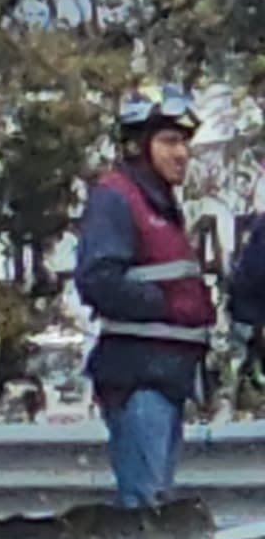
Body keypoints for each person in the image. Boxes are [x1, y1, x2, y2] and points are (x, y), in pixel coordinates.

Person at [73, 83, 218, 509]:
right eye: (169, 141)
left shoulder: (161, 206)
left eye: (184, 143)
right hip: (139, 379)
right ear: (139, 145)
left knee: (155, 503)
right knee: (146, 507)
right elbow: (99, 281)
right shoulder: (117, 198)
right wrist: (169, 305)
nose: (182, 153)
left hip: (166, 377)